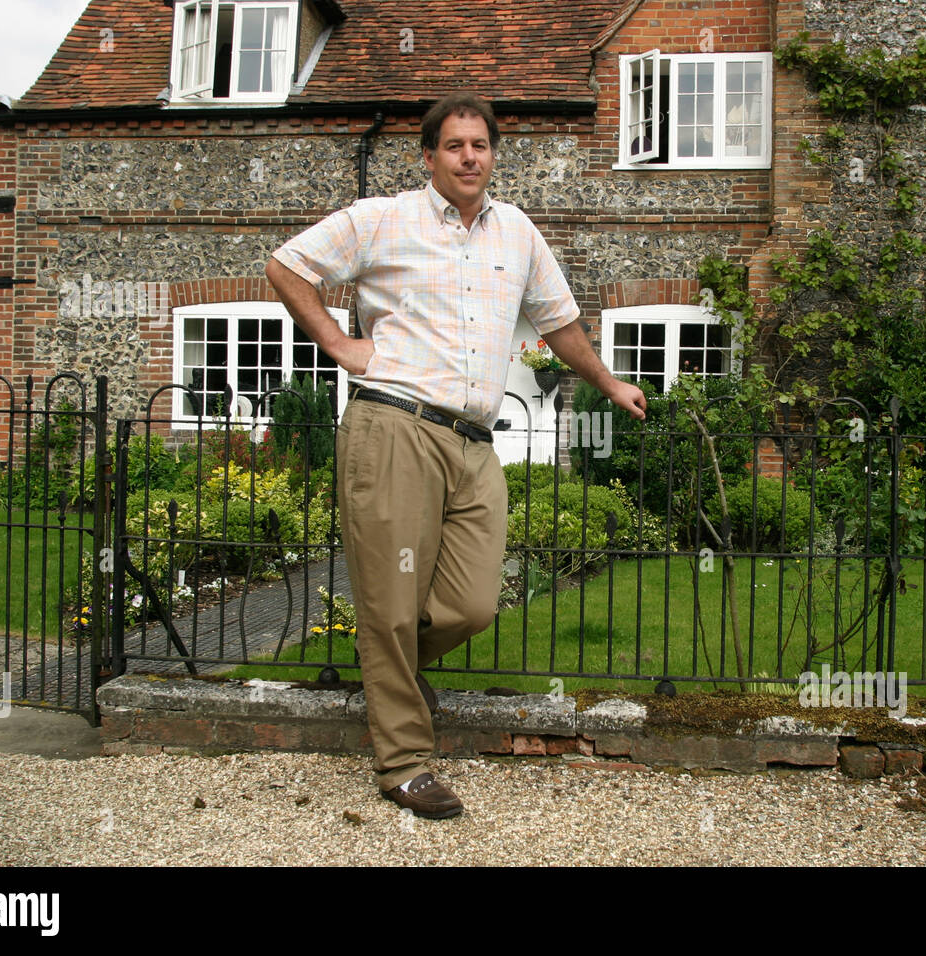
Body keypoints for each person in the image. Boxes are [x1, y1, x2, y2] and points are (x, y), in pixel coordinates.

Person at [266, 92, 646, 818]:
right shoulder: (383, 218)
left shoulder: (517, 234)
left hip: (473, 441)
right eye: (455, 145)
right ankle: (404, 762)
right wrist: (342, 346)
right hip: (394, 426)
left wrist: (606, 379)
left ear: (492, 154)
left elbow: (558, 321)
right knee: (391, 603)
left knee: (472, 602)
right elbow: (288, 266)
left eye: (481, 145)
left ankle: (392, 681)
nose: (470, 156)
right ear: (430, 155)